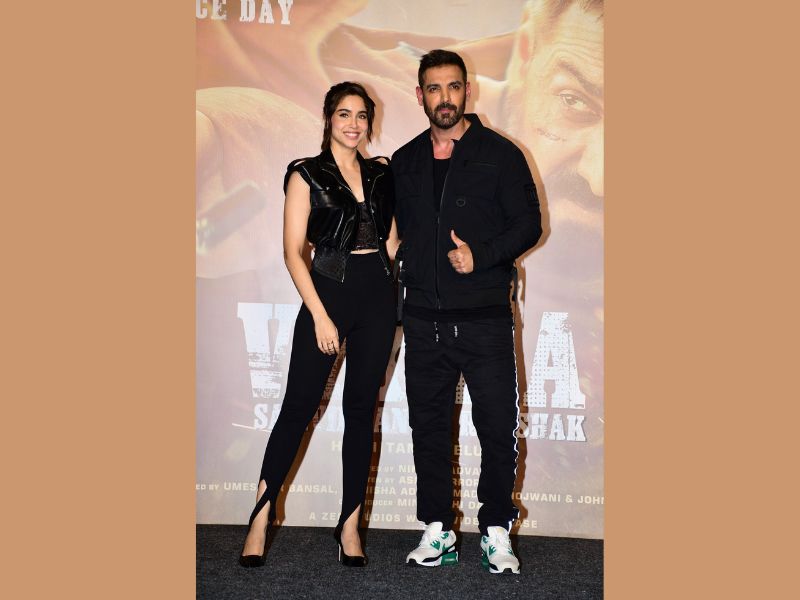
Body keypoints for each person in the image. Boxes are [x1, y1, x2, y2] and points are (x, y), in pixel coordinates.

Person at [392, 49, 542, 574]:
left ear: (467, 91)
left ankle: (496, 530)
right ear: (420, 95)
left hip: (484, 320)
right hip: (423, 321)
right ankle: (438, 529)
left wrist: (482, 255)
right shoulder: (405, 160)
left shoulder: (501, 154)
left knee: (497, 427)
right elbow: (393, 231)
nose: (445, 98)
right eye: (434, 88)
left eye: (453, 87)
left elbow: (529, 225)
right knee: (429, 429)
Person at [239, 81, 399, 568]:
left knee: (360, 412)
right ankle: (261, 516)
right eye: (344, 114)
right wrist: (321, 316)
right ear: (329, 118)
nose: (354, 124)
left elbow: (392, 238)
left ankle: (349, 524)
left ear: (369, 122)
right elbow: (293, 252)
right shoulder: (305, 173)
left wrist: (394, 271)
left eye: (361, 115)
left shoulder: (381, 173)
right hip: (327, 293)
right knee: (298, 406)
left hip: (378, 297)